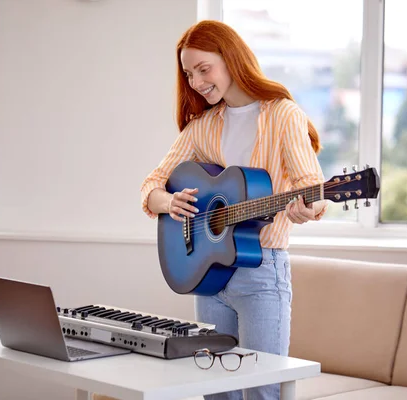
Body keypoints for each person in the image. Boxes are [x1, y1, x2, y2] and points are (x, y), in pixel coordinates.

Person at [140, 20, 328, 400]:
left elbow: (314, 189)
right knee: (214, 393)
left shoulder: (283, 115)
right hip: (208, 276)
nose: (194, 81)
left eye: (203, 69)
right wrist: (168, 202)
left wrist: (307, 206)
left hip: (261, 273)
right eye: (188, 73)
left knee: (262, 392)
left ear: (231, 59)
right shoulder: (202, 126)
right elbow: (151, 186)